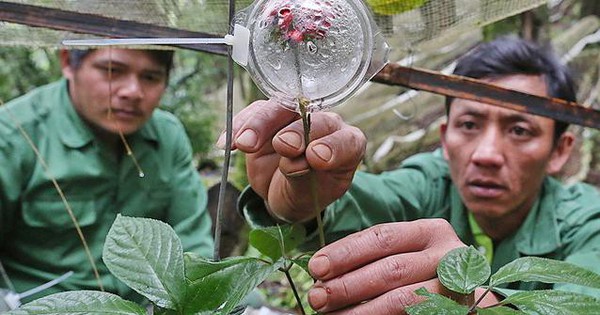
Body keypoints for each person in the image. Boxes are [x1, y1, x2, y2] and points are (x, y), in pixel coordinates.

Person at [226, 36, 600, 313]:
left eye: (519, 131)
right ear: (444, 137)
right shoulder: (427, 184)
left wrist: (478, 302)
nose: (486, 154)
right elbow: (363, 199)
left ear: (560, 150)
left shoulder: (588, 223)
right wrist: (303, 199)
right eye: (469, 124)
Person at [0, 48, 213, 304]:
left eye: (151, 77)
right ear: (68, 62)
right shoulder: (14, 136)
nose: (132, 91)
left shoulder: (168, 136)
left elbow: (193, 242)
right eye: (112, 71)